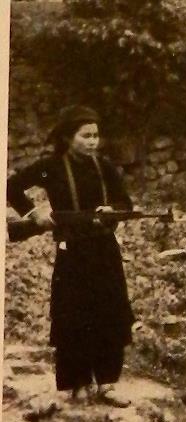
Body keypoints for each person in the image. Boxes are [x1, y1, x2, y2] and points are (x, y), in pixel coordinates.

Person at [6, 105, 134, 406]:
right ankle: (78, 383)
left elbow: (124, 202)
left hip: (105, 251)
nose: (92, 142)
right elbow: (10, 186)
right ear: (68, 137)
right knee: (74, 315)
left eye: (95, 136)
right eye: (85, 136)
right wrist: (35, 213)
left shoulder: (105, 167)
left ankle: (106, 383)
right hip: (73, 253)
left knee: (110, 313)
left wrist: (112, 211)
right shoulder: (51, 166)